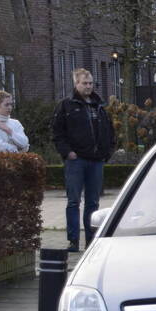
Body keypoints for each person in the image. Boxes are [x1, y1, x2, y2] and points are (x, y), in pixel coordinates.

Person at [51, 69, 115, 253]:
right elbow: (57, 132)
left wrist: (107, 152)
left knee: (93, 203)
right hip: (76, 160)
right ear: (76, 84)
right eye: (84, 83)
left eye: (90, 83)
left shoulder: (99, 105)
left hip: (96, 160)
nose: (88, 86)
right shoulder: (66, 105)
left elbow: (110, 131)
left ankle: (90, 241)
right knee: (73, 201)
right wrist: (67, 152)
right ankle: (73, 241)